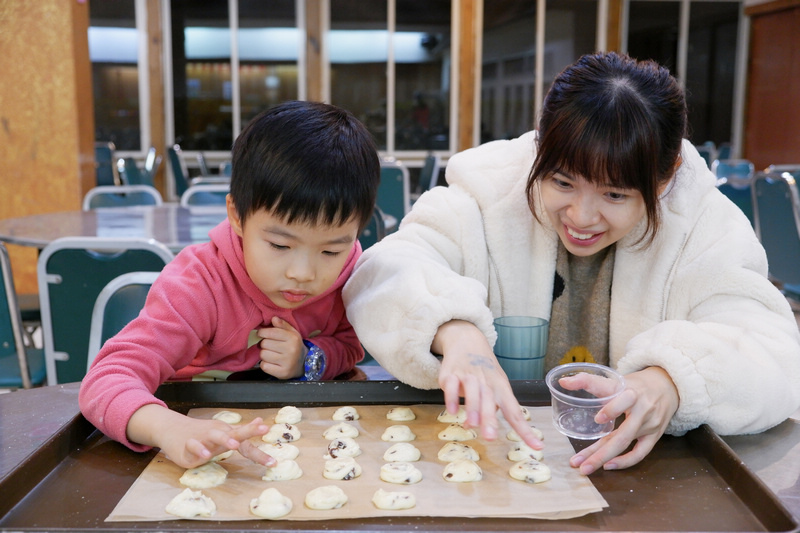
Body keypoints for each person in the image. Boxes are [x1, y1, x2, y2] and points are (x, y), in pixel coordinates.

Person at [343, 52, 800, 475]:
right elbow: (384, 270)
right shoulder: (490, 191)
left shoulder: (701, 221)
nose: (581, 217)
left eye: (615, 194)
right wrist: (453, 329)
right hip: (492, 462)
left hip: (637, 482)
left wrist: (671, 379)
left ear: (667, 176)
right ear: (541, 150)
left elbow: (773, 348)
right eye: (562, 182)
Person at [79, 101, 380, 469]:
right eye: (280, 246)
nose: (303, 273)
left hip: (304, 442)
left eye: (331, 250)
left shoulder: (350, 275)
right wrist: (170, 429)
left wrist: (309, 357)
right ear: (237, 216)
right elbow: (106, 380)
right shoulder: (199, 284)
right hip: (186, 437)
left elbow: (350, 347)